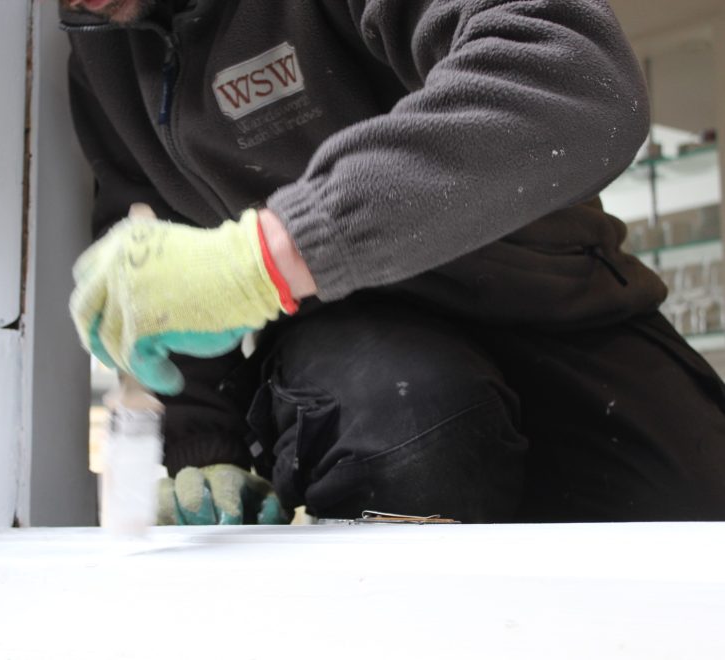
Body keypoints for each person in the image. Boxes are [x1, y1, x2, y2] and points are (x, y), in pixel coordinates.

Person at [61, 0, 725, 524]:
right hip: (353, 338)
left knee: (694, 510)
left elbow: (576, 75)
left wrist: (270, 256)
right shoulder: (100, 47)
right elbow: (156, 242)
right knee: (412, 433)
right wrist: (204, 450)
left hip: (551, 296)